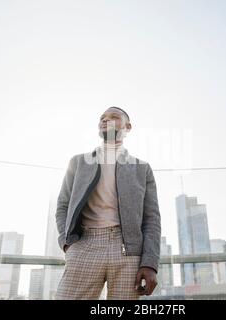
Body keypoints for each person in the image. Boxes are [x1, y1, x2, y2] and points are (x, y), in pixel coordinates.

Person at [55, 106, 161, 300]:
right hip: (84, 244)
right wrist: (67, 243)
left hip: (128, 251)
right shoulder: (78, 162)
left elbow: (151, 219)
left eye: (113, 117)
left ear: (127, 127)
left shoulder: (142, 168)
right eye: (102, 117)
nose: (105, 120)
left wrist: (150, 263)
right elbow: (63, 205)